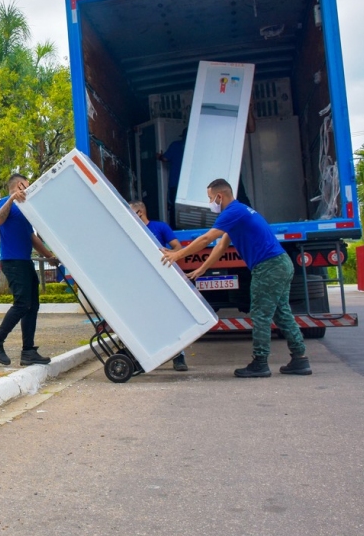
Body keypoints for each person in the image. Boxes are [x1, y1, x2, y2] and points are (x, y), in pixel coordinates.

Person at [160, 179, 311, 378]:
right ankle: (300, 359)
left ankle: (260, 363)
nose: (210, 203)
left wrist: (177, 255)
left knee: (260, 315)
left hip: (269, 267)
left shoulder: (233, 212)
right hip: (280, 264)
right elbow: (221, 246)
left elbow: (207, 238)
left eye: (210, 198)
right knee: (282, 313)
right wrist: (202, 268)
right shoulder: (240, 212)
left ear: (219, 196)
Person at [0, 174, 58, 367]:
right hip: (12, 261)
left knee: (32, 305)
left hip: (24, 262)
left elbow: (31, 237)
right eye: (28, 185)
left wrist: (50, 256)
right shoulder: (3, 202)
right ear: (20, 185)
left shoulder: (25, 210)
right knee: (22, 303)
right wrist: (11, 198)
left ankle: (28, 352)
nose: (29, 188)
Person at [130, 201, 188, 371]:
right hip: (142, 281)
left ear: (140, 212)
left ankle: (179, 357)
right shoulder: (132, 231)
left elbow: (177, 247)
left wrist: (166, 253)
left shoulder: (160, 227)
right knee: (145, 319)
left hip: (163, 279)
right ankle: (144, 357)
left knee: (170, 317)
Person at [159, 128, 187, 228]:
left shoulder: (176, 145)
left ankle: (175, 228)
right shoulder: (196, 147)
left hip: (175, 182)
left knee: (175, 207)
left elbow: (165, 158)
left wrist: (159, 156)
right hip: (191, 185)